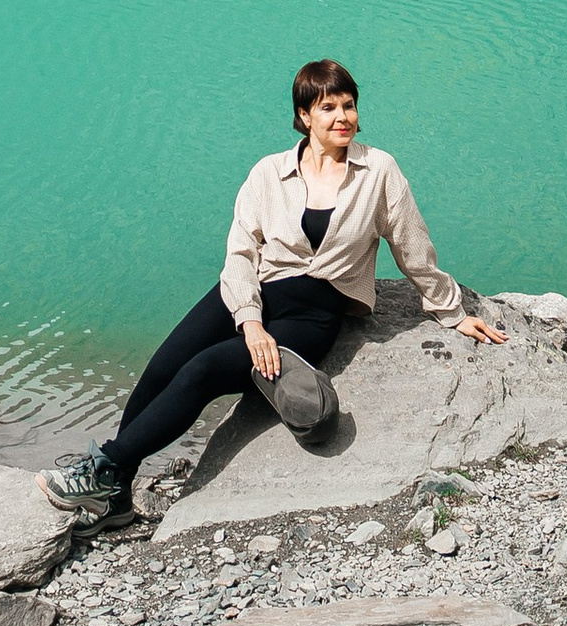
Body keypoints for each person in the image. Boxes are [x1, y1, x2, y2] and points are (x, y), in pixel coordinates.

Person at [45, 57, 504, 520]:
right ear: (304, 117)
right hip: (254, 291)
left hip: (312, 316)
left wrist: (452, 310)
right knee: (162, 367)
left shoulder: (379, 171)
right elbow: (240, 252)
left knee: (202, 371)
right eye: (328, 108)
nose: (343, 117)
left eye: (349, 105)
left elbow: (412, 242)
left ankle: (102, 471)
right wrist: (249, 321)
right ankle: (117, 495)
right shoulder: (269, 172)